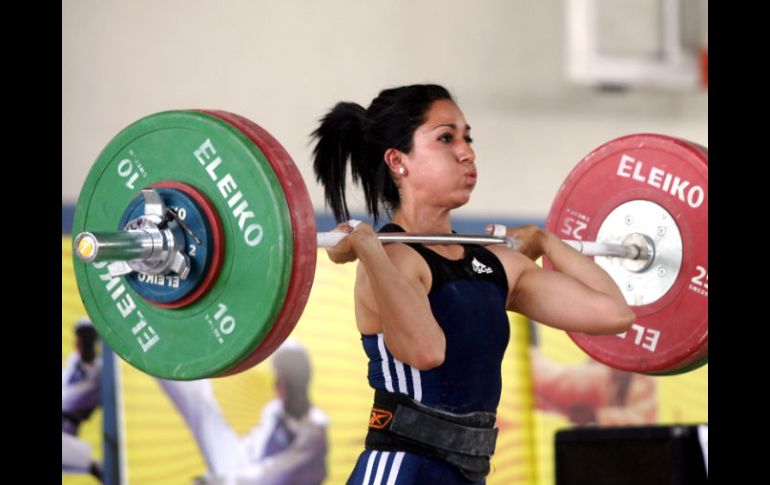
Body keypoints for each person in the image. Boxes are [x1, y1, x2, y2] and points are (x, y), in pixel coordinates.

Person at [311, 83, 635, 485]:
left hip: (465, 474)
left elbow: (615, 313)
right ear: (398, 161)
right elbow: (427, 352)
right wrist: (369, 248)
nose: (467, 151)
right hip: (401, 469)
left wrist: (548, 241)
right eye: (446, 138)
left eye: (467, 137)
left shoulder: (494, 264)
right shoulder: (393, 258)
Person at [158, 339, 328, 485]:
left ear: (301, 383)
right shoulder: (274, 411)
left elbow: (272, 474)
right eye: (279, 378)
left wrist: (223, 481)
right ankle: (162, 354)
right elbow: (250, 453)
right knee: (201, 406)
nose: (278, 385)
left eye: (286, 380)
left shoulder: (315, 431)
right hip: (243, 476)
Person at [61, 317, 104, 481]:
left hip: (68, 422)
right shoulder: (73, 359)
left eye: (86, 338)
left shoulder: (101, 371)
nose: (81, 342)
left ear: (93, 341)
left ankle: (96, 468)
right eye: (80, 337)